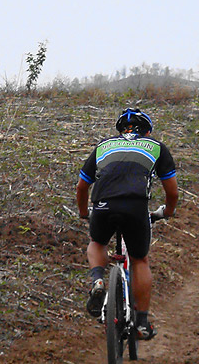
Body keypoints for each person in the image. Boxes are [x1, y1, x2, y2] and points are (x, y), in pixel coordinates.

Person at [75, 107, 178, 340]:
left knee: (97, 243)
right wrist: (167, 212)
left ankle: (98, 280)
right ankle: (141, 323)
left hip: (103, 205)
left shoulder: (103, 146)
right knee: (139, 259)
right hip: (135, 207)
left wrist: (84, 213)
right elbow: (172, 192)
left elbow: (82, 187)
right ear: (147, 131)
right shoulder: (156, 147)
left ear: (121, 130)